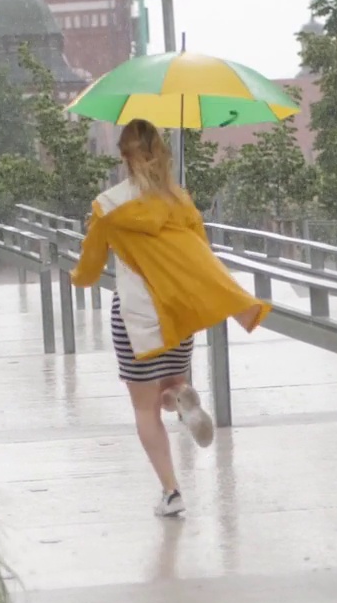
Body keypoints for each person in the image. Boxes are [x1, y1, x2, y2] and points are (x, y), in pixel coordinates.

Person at [71, 119, 272, 517]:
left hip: (136, 316)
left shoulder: (108, 205)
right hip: (177, 312)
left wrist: (78, 278)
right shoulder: (180, 201)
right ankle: (181, 397)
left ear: (124, 156)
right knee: (171, 385)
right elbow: (200, 253)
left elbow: (91, 264)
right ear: (160, 152)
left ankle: (171, 491)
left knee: (145, 409)